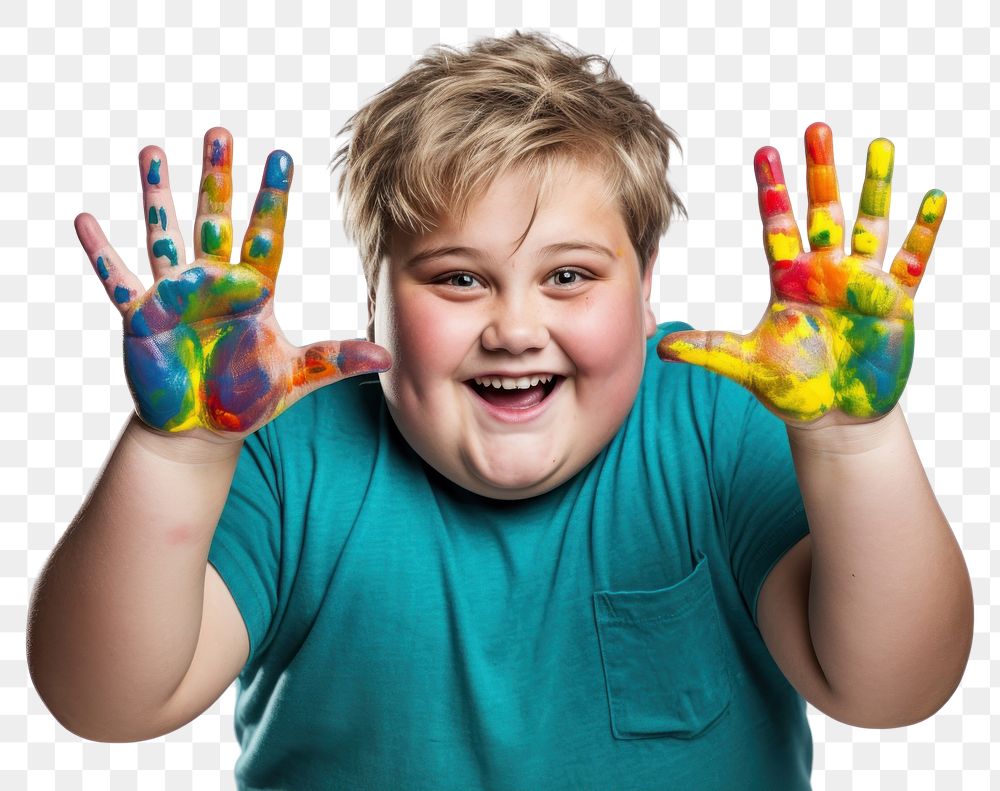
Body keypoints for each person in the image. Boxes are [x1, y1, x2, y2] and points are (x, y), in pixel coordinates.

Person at [26, 31, 972, 790]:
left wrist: (853, 442)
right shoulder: (290, 451)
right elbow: (106, 702)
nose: (516, 327)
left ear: (645, 292)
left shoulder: (716, 421)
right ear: (374, 298)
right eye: (459, 278)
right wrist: (179, 453)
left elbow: (892, 690)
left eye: (568, 276)